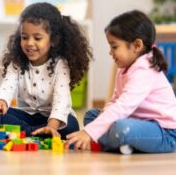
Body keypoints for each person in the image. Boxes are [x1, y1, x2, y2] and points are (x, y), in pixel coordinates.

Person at [65, 10, 176, 154]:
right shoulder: (124, 68)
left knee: (122, 128)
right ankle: (123, 144)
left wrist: (89, 133)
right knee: (91, 115)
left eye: (114, 47)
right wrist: (100, 119)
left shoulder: (145, 70)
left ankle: (118, 142)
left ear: (137, 45)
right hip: (138, 123)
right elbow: (115, 100)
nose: (110, 52)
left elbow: (123, 106)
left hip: (165, 133)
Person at [0, 2, 92, 139]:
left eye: (37, 38)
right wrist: (1, 101)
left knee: (71, 125)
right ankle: (34, 133)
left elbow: (62, 100)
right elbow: (7, 85)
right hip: (25, 117)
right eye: (24, 37)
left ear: (53, 40)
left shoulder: (60, 64)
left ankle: (26, 133)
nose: (29, 43)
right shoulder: (17, 61)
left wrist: (52, 126)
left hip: (52, 119)